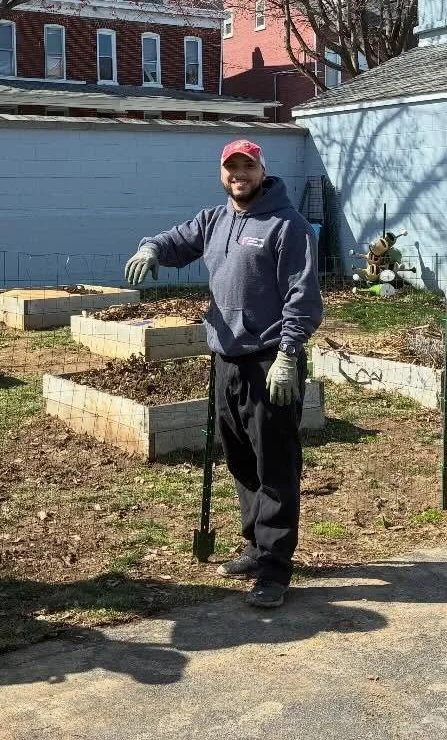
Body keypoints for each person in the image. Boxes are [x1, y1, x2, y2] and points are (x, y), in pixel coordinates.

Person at [124, 138, 322, 608]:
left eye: (247, 167)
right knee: (241, 461)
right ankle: (255, 547)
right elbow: (178, 240)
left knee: (275, 465)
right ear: (222, 174)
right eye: (231, 168)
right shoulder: (215, 220)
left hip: (270, 361)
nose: (239, 176)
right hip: (227, 360)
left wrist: (289, 354)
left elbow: (303, 296)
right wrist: (152, 249)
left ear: (262, 170)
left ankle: (275, 569)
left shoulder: (287, 226)